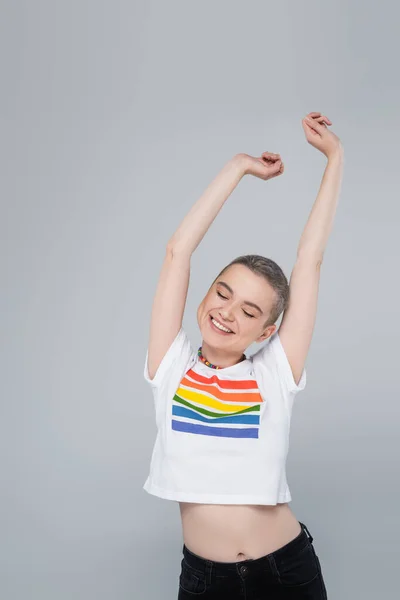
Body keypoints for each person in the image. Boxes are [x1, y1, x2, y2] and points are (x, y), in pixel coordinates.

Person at [143, 111, 343, 599]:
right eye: (222, 293)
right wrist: (238, 166)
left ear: (267, 330)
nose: (227, 313)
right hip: (206, 580)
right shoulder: (171, 366)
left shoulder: (275, 372)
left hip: (286, 571)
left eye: (249, 310)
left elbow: (309, 263)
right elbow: (177, 252)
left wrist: (334, 158)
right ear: (205, 294)